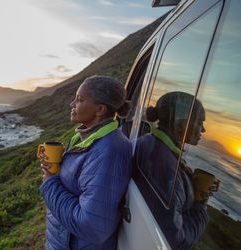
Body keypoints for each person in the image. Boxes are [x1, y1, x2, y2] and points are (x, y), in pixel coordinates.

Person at [39, 75, 133, 250]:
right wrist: (56, 171)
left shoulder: (109, 152)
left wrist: (50, 182)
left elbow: (91, 226)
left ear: (99, 109)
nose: (72, 105)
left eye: (79, 100)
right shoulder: (83, 137)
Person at [133, 91, 210, 250]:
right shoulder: (164, 165)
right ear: (181, 122)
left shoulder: (150, 142)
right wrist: (200, 208)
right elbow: (176, 240)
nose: (203, 130)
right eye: (199, 122)